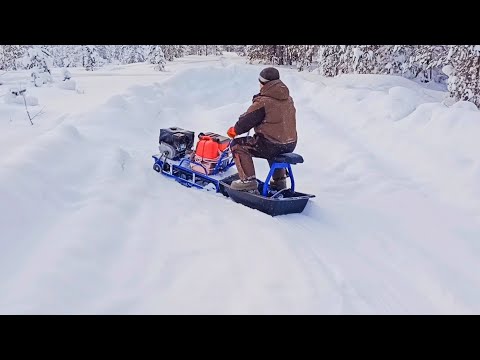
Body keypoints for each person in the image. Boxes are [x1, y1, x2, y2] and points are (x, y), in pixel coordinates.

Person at [227, 67, 297, 192]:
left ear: (263, 83)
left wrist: (235, 130)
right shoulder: (288, 99)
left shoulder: (264, 102)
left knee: (237, 145)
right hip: (290, 143)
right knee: (274, 147)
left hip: (271, 144)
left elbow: (245, 122)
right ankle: (279, 181)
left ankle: (248, 181)